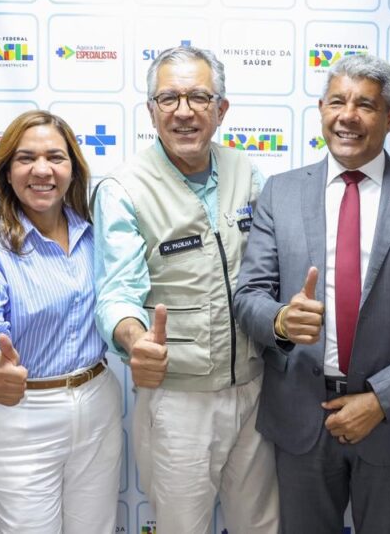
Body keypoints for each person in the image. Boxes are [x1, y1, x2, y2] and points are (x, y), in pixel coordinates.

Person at [234, 53, 390, 533]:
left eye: (365, 104)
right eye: (337, 102)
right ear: (321, 110)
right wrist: (280, 321)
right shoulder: (280, 192)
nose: (348, 116)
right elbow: (249, 296)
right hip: (301, 416)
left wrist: (382, 399)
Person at [93, 45, 279, 533]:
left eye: (199, 97)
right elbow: (116, 292)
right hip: (179, 402)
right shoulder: (123, 188)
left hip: (255, 389)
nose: (183, 111)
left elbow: (272, 268)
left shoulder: (248, 173)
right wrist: (135, 339)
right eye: (168, 98)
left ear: (221, 109)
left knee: (261, 526)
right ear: (151, 110)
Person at [0, 110, 121, 533]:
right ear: (6, 172)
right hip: (22, 413)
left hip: (97, 403)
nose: (42, 170)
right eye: (26, 158)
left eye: (55, 158)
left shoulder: (95, 235)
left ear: (72, 169)